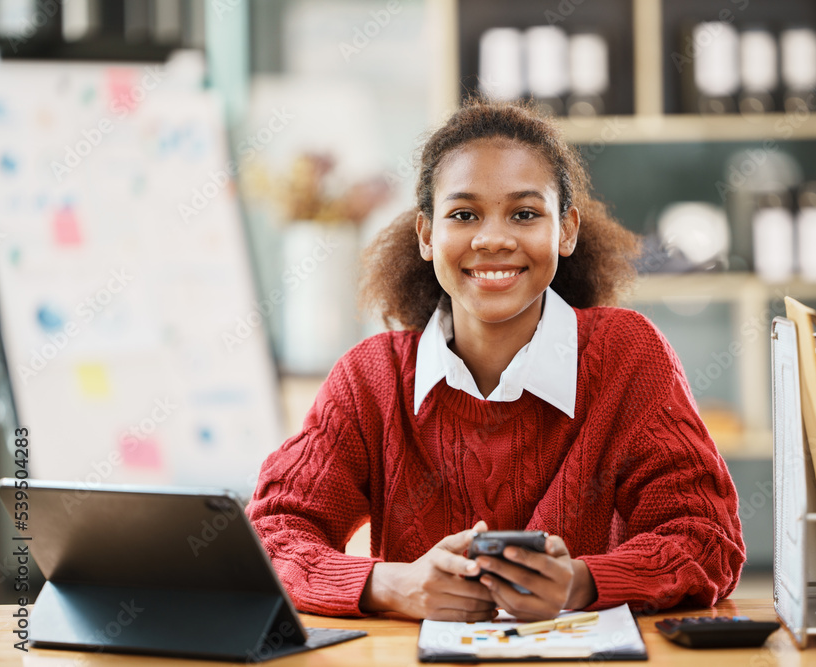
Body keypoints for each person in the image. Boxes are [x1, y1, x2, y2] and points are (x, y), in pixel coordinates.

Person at [246, 99, 745, 623]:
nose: (493, 239)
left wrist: (581, 582)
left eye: (525, 214)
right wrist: (393, 585)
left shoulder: (627, 357)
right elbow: (270, 535)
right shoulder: (371, 379)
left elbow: (706, 537)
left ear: (566, 230)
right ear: (426, 236)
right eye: (463, 215)